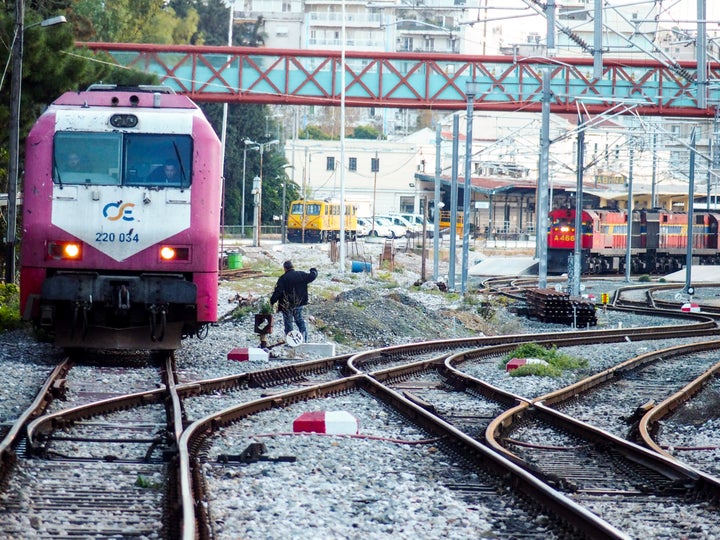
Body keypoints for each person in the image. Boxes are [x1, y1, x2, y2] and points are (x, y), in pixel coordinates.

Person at [270, 260, 317, 343]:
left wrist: (272, 301)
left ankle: (291, 342)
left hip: (286, 305)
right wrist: (313, 270)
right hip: (299, 303)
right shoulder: (301, 274)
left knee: (288, 323)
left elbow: (278, 291)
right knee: (299, 320)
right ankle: (304, 340)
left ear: (285, 268)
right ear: (293, 266)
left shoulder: (283, 278)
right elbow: (312, 276)